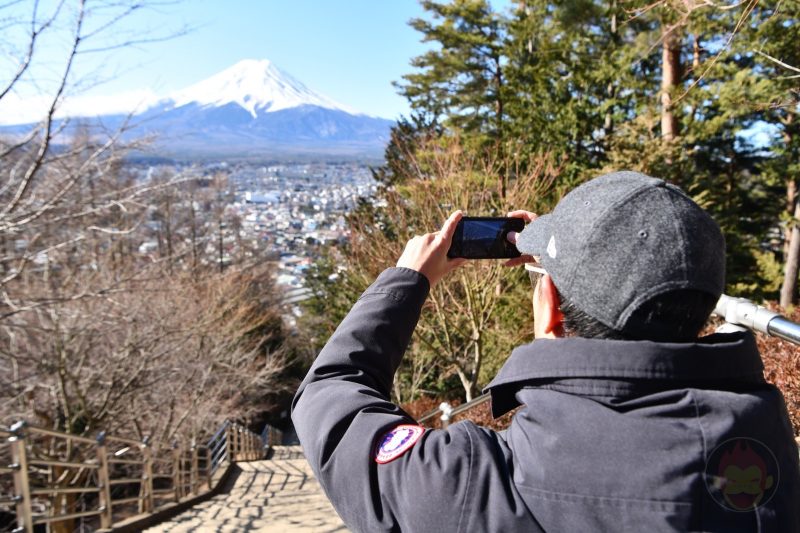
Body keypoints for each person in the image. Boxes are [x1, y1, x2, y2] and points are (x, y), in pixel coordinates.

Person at [291, 171, 800, 532]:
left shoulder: (471, 479)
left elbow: (328, 397)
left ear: (550, 306)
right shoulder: (768, 447)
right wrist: (574, 261)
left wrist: (407, 281)